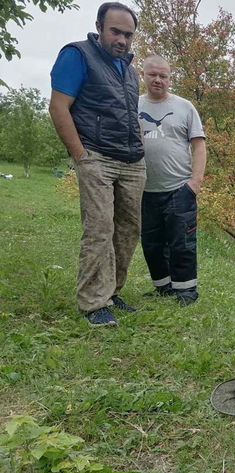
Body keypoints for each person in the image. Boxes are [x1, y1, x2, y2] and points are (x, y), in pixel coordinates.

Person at [49, 2, 145, 326]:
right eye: (115, 31)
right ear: (100, 27)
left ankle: (112, 292)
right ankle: (93, 303)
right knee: (100, 228)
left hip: (132, 160)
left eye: (128, 34)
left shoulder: (131, 71)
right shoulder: (77, 55)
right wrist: (81, 156)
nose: (122, 39)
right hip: (97, 157)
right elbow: (59, 107)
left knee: (129, 230)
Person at [138, 55, 206, 305]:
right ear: (143, 75)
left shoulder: (185, 107)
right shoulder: (132, 105)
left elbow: (199, 146)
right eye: (153, 75)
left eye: (163, 76)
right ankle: (163, 287)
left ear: (169, 78)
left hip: (179, 188)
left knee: (182, 243)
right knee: (152, 244)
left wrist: (194, 184)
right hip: (144, 190)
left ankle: (186, 291)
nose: (158, 80)